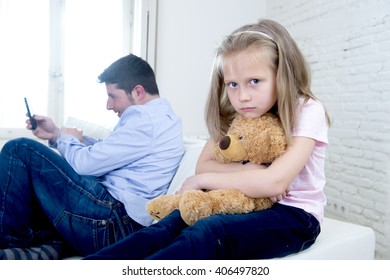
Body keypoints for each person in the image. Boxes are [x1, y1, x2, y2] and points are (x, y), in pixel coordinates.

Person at [84, 19, 331, 260]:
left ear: (282, 75)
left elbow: (274, 182)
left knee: (210, 231)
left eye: (255, 81)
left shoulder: (308, 109)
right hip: (247, 201)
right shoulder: (236, 114)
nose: (242, 96)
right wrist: (254, 171)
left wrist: (201, 180)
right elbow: (205, 162)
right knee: (168, 225)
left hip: (295, 215)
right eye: (233, 84)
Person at [0, 54, 184, 259]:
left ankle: (10, 243)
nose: (109, 105)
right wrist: (57, 134)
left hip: (112, 224)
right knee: (32, 189)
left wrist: (66, 140)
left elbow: (84, 165)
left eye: (113, 96)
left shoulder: (145, 119)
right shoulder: (161, 118)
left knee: (19, 149)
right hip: (115, 221)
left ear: (138, 91)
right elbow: (109, 151)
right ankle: (41, 242)